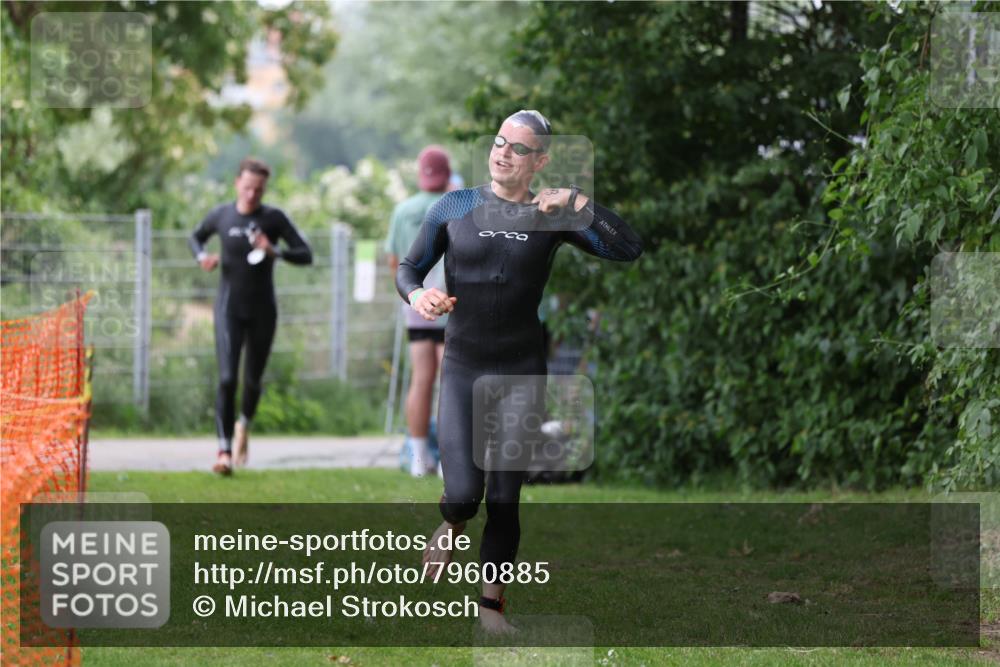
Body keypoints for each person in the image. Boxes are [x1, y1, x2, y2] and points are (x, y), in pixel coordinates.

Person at [395, 110, 643, 632]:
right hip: (464, 366)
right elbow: (407, 267)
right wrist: (421, 294)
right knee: (464, 493)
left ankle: (491, 611)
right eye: (499, 142)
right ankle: (452, 522)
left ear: (540, 161)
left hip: (521, 372)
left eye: (517, 148)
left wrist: (577, 202)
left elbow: (628, 248)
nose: (502, 152)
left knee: (505, 498)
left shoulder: (551, 215)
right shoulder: (456, 205)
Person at [189, 157, 313, 476]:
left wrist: (276, 251)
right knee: (228, 378)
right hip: (229, 308)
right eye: (247, 187)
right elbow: (195, 237)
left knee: (252, 380)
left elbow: (306, 253)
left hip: (263, 311)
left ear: (264, 189)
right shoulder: (221, 215)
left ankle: (244, 425)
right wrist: (203, 256)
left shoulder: (273, 218)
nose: (252, 194)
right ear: (236, 184)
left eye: (258, 190)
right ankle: (224, 451)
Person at [386, 146, 453, 477]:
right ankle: (446, 460)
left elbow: (395, 261)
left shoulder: (402, 210)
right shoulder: (456, 207)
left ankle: (418, 456)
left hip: (416, 303)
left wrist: (410, 297)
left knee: (420, 379)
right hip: (450, 303)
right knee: (450, 382)